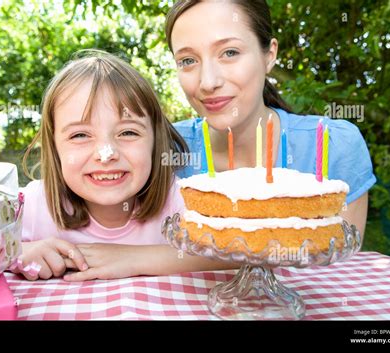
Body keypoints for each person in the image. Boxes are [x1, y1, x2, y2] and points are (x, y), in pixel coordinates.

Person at [15, 50, 233, 281]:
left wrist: (135, 258)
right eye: (80, 135)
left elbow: (238, 251)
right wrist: (18, 252)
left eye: (128, 132)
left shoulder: (179, 201)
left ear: (155, 142)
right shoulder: (34, 205)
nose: (106, 154)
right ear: (55, 146)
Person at [166, 0, 376, 237]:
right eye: (188, 60)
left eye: (230, 53)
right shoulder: (166, 148)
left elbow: (338, 262)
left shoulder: (334, 146)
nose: (208, 82)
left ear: (269, 55)